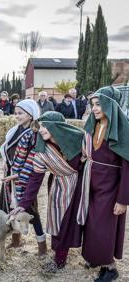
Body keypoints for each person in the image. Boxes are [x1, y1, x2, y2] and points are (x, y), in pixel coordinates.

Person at [11, 111, 84, 272]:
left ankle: (91, 255)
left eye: (46, 126)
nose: (41, 129)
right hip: (61, 187)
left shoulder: (77, 141)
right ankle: (59, 258)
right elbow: (35, 179)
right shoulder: (42, 150)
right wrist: (23, 204)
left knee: (83, 220)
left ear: (57, 127)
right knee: (60, 221)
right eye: (41, 125)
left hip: (82, 186)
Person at [78, 86, 129, 282]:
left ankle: (110, 267)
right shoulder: (94, 125)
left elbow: (127, 167)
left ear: (110, 105)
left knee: (104, 226)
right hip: (91, 183)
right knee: (91, 223)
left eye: (99, 104)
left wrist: (123, 199)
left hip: (111, 188)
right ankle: (95, 257)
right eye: (92, 105)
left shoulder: (123, 130)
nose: (95, 109)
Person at [0, 99, 47, 256]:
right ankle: (16, 240)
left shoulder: (34, 134)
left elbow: (33, 160)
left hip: (24, 178)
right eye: (16, 113)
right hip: (11, 176)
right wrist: (6, 162)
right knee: (12, 208)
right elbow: (7, 149)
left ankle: (42, 247)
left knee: (31, 212)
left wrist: (17, 174)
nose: (16, 116)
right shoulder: (15, 130)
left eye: (20, 113)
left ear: (31, 114)